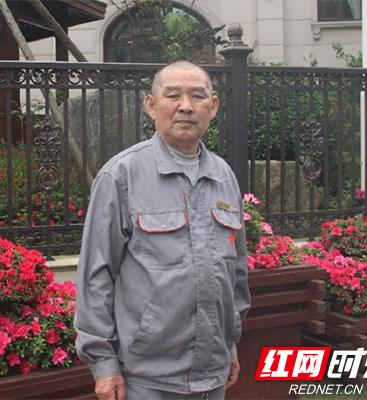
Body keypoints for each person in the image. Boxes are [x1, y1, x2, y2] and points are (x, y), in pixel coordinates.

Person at [75, 60, 251, 400]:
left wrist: (229, 343)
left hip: (214, 374)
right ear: (151, 106)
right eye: (173, 96)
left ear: (213, 107)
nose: (186, 106)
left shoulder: (223, 176)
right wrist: (104, 364)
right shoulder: (121, 176)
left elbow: (236, 272)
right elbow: (96, 275)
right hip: (146, 380)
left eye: (197, 96)